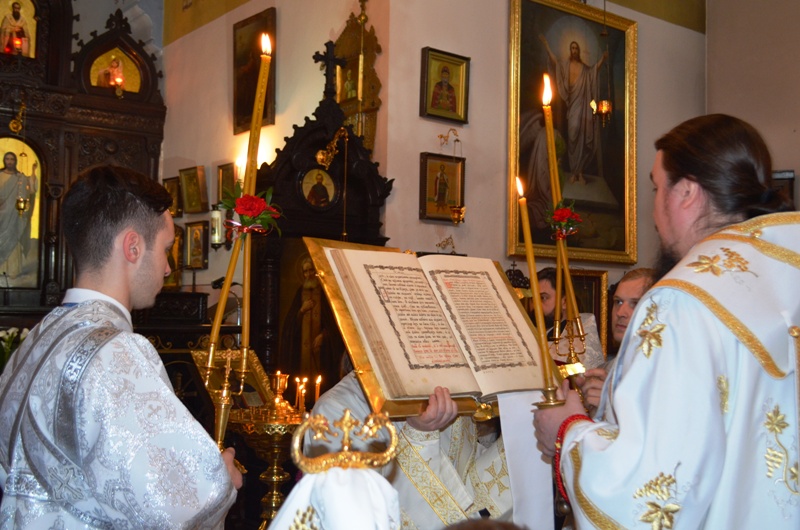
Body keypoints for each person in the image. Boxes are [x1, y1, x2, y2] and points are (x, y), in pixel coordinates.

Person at [533, 114, 798, 528]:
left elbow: (651, 495)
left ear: (687, 191)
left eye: (657, 188)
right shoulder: (786, 271)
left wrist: (566, 431)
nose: (654, 209)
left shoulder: (681, 300)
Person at [0, 165, 242, 528]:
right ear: (133, 247)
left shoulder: (36, 339)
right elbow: (176, 507)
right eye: (166, 249)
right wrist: (223, 482)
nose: (167, 268)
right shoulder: (115, 353)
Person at [305, 363, 514, 528]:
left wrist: (521, 426)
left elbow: (465, 479)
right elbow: (355, 514)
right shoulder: (336, 409)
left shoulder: (449, 388)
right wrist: (418, 436)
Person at [539, 35, 607, 183]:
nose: (574, 50)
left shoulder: (584, 69)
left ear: (579, 51)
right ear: (570, 50)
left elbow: (594, 71)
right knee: (573, 135)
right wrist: (546, 45)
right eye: (572, 48)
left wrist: (602, 58)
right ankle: (574, 171)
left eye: (576, 48)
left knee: (582, 137)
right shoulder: (565, 66)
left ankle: (579, 172)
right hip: (573, 106)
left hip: (584, 107)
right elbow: (555, 62)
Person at [536, 267, 604, 370]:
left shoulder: (582, 334)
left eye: (543, 298)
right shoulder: (539, 333)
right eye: (534, 299)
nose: (536, 305)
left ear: (565, 302)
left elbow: (585, 374)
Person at [0, 151, 37, 280]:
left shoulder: (20, 178)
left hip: (14, 215)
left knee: (13, 238)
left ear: (15, 161)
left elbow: (31, 190)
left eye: (12, 159)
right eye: (7, 159)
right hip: (1, 214)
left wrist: (33, 172)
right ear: (4, 161)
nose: (9, 161)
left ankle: (13, 270)